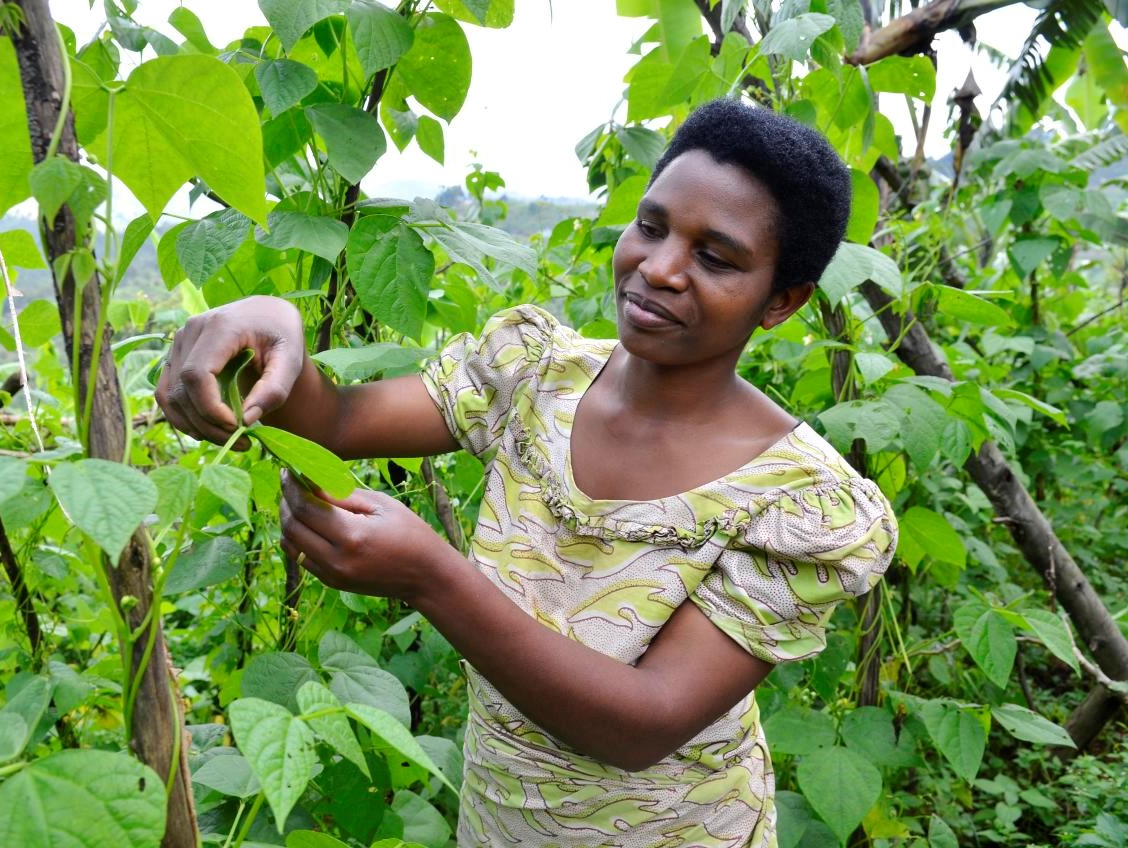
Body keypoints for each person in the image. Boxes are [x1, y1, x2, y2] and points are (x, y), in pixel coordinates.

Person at [156, 98, 897, 847]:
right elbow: (335, 421)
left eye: (715, 257)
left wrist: (430, 578)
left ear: (781, 302)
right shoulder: (536, 375)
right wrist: (269, 329)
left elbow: (643, 725)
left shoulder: (799, 503)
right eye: (651, 226)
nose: (660, 267)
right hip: (498, 821)